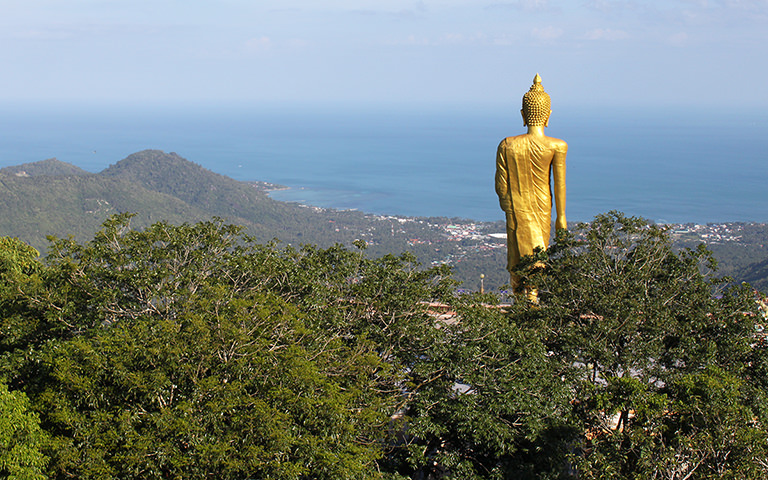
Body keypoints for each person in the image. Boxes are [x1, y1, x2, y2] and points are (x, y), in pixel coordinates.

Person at [495, 74, 567, 295]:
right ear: (548, 115)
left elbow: (501, 184)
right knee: (538, 251)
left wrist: (510, 206)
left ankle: (521, 298)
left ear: (524, 114)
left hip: (517, 208)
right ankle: (532, 298)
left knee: (517, 253)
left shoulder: (508, 144)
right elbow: (559, 185)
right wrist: (561, 217)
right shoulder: (557, 146)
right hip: (543, 205)